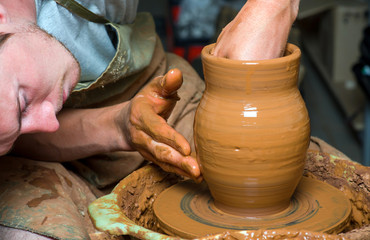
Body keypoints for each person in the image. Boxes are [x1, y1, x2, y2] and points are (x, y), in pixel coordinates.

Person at [0, 0, 302, 239]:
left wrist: (273, 6)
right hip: (42, 161)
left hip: (160, 101)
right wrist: (118, 126)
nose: (48, 122)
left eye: (22, 102)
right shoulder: (36, 120)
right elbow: (31, 133)